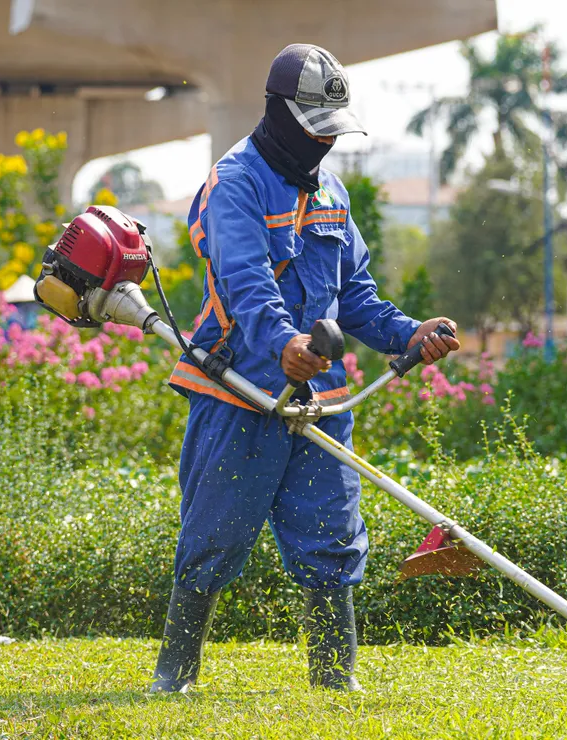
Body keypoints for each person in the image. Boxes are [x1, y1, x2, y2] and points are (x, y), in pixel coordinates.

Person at [154, 43, 460, 694]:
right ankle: (174, 676)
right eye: (314, 131)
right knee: (213, 537)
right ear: (279, 115)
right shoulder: (234, 182)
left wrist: (409, 332)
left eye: (332, 133)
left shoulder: (332, 193)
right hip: (238, 387)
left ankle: (334, 678)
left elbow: (355, 297)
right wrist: (284, 343)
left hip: (317, 398)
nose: (323, 146)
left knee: (331, 539)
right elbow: (244, 282)